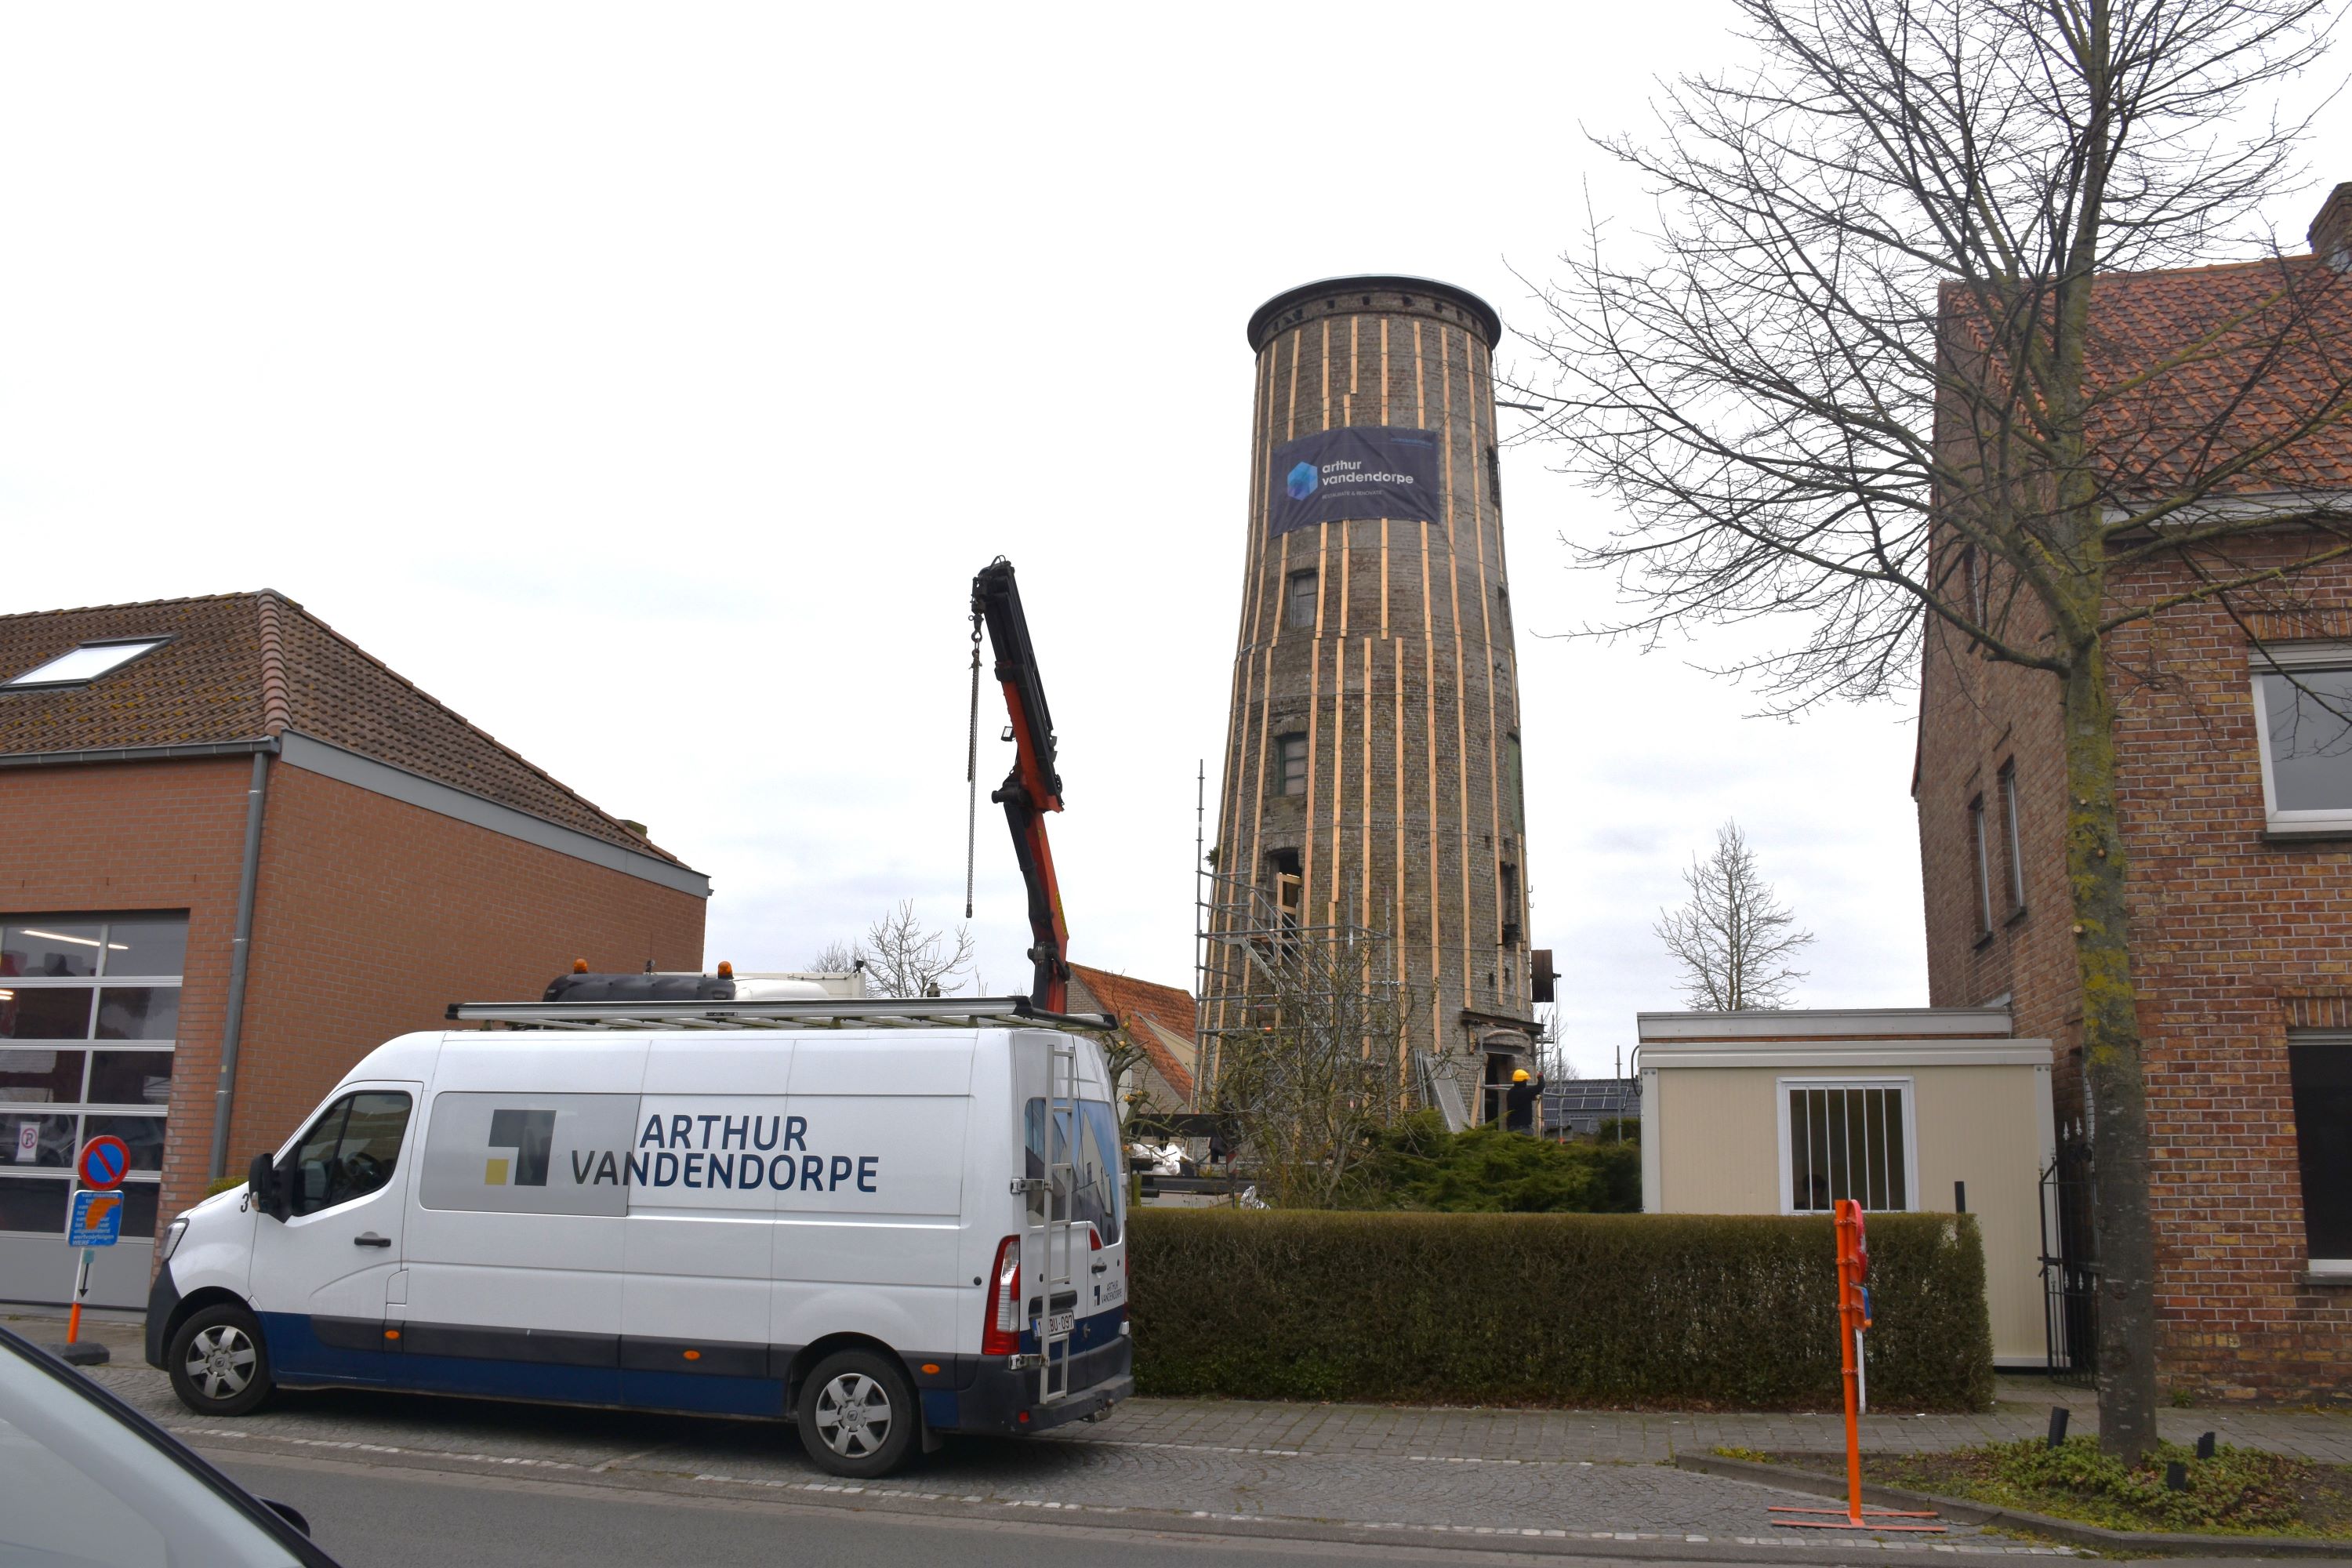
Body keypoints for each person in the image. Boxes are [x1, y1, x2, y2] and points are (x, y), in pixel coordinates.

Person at [1503, 1066, 1545, 1133]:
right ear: (1523, 1081)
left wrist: (1531, 1097)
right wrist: (1540, 1076)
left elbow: (1521, 1101)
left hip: (1511, 1128)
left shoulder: (1511, 1092)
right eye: (1526, 1080)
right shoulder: (1526, 1092)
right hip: (1523, 1129)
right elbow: (1541, 1086)